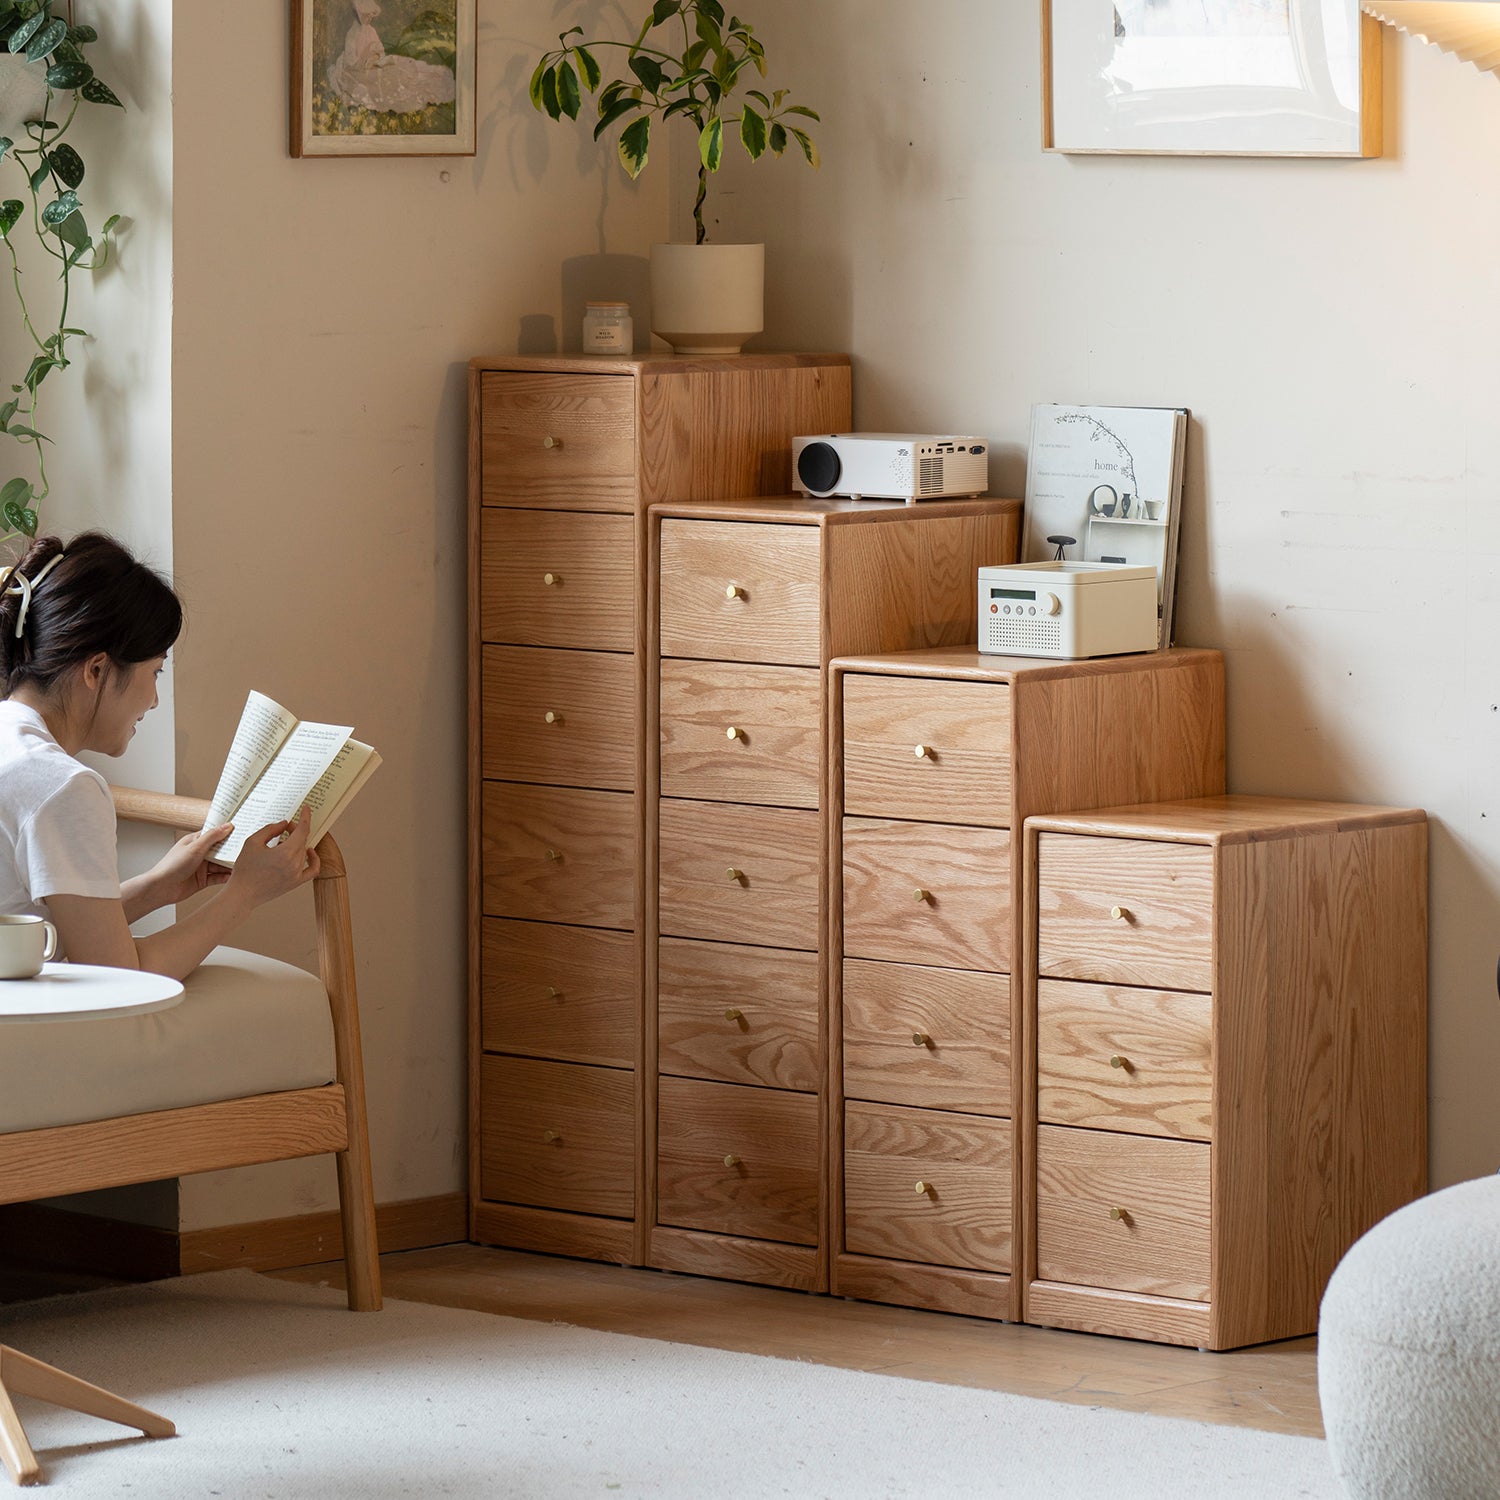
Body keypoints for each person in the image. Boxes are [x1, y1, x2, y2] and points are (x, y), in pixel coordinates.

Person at [0, 531, 318, 981]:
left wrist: (156, 886)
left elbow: (54, 931)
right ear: (96, 669)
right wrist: (244, 894)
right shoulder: (63, 787)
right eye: (155, 671)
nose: (153, 701)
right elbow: (120, 979)